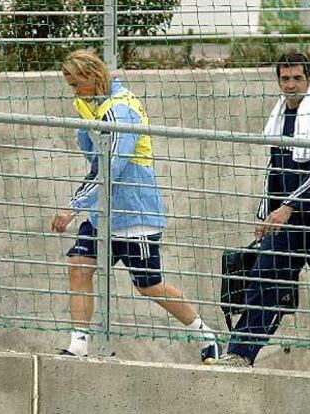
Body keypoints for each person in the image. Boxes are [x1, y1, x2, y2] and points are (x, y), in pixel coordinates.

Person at [206, 53, 310, 374]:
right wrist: (265, 213)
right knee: (263, 279)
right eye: (285, 79)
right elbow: (275, 169)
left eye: (297, 78)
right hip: (287, 224)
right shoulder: (279, 117)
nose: (291, 84)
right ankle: (241, 353)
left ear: (309, 79)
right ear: (279, 81)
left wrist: (289, 205)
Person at [51, 49, 220, 362]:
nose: (74, 91)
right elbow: (94, 161)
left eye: (77, 84)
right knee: (78, 264)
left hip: (135, 214)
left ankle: (207, 335)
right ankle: (79, 345)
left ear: (93, 77)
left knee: (149, 285)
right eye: (70, 85)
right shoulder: (92, 105)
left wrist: (73, 205)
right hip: (104, 213)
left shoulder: (120, 109)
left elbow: (111, 165)